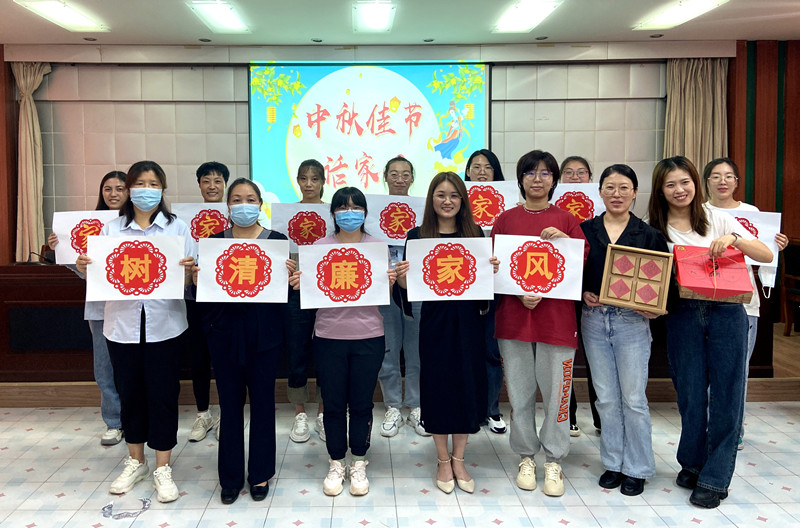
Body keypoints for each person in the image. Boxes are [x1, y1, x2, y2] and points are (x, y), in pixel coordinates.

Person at [647, 156, 772, 508]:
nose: (680, 190)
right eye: (671, 184)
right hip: (683, 314)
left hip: (727, 312)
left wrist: (735, 239)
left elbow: (765, 254)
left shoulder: (717, 218)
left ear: (695, 184)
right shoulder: (652, 229)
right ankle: (692, 462)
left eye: (685, 182)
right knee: (689, 393)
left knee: (726, 394)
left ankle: (716, 477)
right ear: (660, 190)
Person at [76, 160, 196, 503]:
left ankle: (163, 466)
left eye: (153, 184)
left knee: (163, 393)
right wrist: (85, 266)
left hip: (166, 325)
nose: (146, 190)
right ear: (129, 189)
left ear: (163, 189)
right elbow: (98, 276)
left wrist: (189, 272)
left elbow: (189, 280)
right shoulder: (110, 231)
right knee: (130, 393)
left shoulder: (178, 229)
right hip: (121, 326)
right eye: (140, 183)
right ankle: (135, 461)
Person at [289, 187, 399, 497]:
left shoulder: (377, 247)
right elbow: (311, 292)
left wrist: (390, 282)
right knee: (334, 403)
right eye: (342, 208)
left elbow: (383, 296)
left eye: (355, 208)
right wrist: (299, 283)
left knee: (362, 403)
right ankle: (336, 461)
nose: (349, 213)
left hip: (369, 336)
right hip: (328, 336)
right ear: (333, 213)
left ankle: (359, 461)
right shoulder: (319, 248)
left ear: (365, 212)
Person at [491, 149, 588, 497]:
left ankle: (555, 458)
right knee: (519, 395)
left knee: (557, 395)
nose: (537, 179)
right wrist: (519, 292)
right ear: (520, 179)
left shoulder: (567, 220)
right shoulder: (505, 220)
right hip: (514, 318)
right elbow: (495, 266)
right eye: (530, 172)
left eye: (545, 173)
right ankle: (526, 456)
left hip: (556, 320)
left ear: (554, 180)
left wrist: (567, 243)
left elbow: (581, 262)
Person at [396, 171, 498, 494]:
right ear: (431, 199)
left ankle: (459, 458)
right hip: (434, 321)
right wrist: (401, 278)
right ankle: (442, 459)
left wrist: (491, 269)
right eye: (441, 195)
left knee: (466, 383)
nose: (447, 201)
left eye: (454, 195)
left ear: (463, 200)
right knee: (437, 385)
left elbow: (484, 285)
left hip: (468, 321)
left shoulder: (475, 234)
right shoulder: (417, 236)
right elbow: (407, 288)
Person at [193, 178, 293, 504]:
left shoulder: (276, 242)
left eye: (250, 199)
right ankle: (230, 477)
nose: (243, 205)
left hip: (265, 335)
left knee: (263, 404)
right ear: (228, 205)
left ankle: (260, 473)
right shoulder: (214, 243)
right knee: (230, 404)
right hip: (224, 335)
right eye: (236, 199)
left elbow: (285, 293)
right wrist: (196, 279)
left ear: (260, 204)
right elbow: (204, 292)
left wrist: (291, 277)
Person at [580, 164, 668, 496]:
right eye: (610, 187)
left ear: (634, 193)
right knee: (605, 397)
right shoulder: (584, 231)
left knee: (633, 398)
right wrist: (583, 293)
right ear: (600, 191)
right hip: (594, 320)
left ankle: (638, 467)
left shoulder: (649, 235)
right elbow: (574, 274)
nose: (616, 194)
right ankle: (613, 463)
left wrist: (654, 308)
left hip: (632, 322)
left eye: (624, 188)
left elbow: (664, 285)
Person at [702, 157, 789, 450]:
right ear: (707, 181)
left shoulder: (752, 214)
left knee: (737, 371)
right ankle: (709, 427)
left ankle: (733, 429)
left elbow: (763, 253)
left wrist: (777, 245)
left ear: (737, 182)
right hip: (706, 298)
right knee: (707, 371)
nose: (722, 181)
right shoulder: (699, 212)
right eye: (716, 176)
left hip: (744, 299)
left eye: (729, 176)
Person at [48, 171, 128, 446]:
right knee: (104, 368)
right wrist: (63, 251)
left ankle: (136, 418)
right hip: (100, 307)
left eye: (120, 188)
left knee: (132, 367)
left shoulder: (139, 225)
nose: (114, 194)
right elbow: (84, 273)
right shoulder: (88, 226)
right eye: (108, 188)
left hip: (133, 307)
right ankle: (114, 422)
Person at [377, 156, 428, 438]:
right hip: (383, 285)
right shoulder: (371, 212)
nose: (400, 179)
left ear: (412, 178)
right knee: (388, 347)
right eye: (394, 174)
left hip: (417, 284)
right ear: (385, 176)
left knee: (416, 347)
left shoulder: (424, 210)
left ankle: (416, 404)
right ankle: (393, 406)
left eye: (405, 174)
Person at [186, 161, 229, 443]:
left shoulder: (236, 215)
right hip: (195, 296)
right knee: (198, 358)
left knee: (226, 358)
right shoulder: (184, 219)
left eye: (218, 181)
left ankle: (228, 413)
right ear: (199, 185)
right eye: (206, 181)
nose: (212, 186)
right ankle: (203, 414)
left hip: (226, 298)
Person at [558, 155, 601, 437]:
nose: (575, 177)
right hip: (563, 290)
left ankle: (600, 416)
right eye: (569, 173)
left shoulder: (602, 209)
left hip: (594, 290)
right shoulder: (552, 210)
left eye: (581, 172)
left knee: (597, 357)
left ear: (591, 178)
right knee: (566, 355)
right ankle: (569, 413)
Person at [464, 149, 506, 435]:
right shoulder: (456, 202)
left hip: (497, 285)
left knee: (492, 351)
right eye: (476, 167)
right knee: (465, 350)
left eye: (488, 167)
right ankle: (469, 408)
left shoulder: (509, 203)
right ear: (467, 172)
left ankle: (492, 409)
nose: (481, 172)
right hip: (464, 285)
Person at [287, 159, 326, 443]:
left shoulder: (333, 213)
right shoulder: (286, 215)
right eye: (304, 178)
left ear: (323, 182)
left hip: (327, 289)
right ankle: (299, 411)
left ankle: (324, 410)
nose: (309, 184)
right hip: (296, 289)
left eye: (314, 179)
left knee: (326, 350)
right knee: (297, 348)